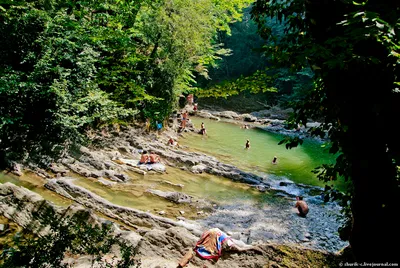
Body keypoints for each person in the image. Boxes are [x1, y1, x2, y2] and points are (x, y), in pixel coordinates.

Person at [177, 228, 262, 267]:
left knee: (192, 251)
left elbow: (199, 242)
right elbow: (240, 249)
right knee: (210, 261)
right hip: (212, 252)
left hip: (204, 244)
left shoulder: (212, 232)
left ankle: (181, 265)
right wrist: (253, 248)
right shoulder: (228, 241)